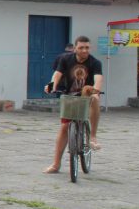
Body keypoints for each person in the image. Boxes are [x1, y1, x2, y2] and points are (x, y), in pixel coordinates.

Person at [44, 36, 103, 174]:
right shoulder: (65, 59)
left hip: (86, 96)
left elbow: (98, 79)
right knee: (64, 127)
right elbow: (57, 74)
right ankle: (56, 164)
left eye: (87, 47)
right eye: (81, 47)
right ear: (75, 48)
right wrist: (51, 85)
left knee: (95, 99)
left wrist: (96, 91)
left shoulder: (95, 63)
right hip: (69, 96)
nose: (84, 50)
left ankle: (92, 136)